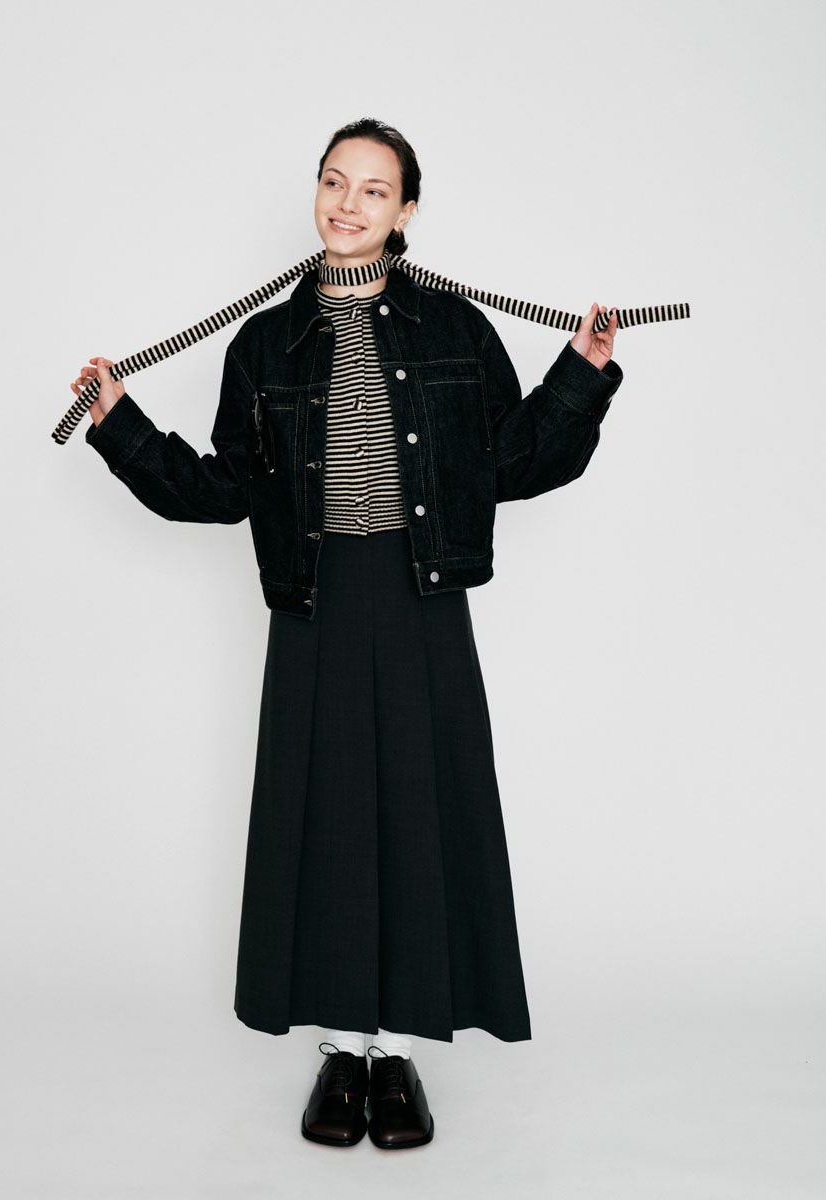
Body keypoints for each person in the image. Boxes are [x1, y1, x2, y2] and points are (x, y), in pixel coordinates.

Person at [71, 117, 622, 1151]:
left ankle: (398, 1054)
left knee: (418, 814)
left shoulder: (452, 328)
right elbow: (223, 490)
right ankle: (340, 1051)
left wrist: (581, 373)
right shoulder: (263, 344)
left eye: (374, 189)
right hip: (315, 605)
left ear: (406, 210)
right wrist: (120, 424)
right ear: (317, 192)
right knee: (323, 819)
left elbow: (511, 462)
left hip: (422, 599)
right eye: (335, 182)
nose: (348, 203)